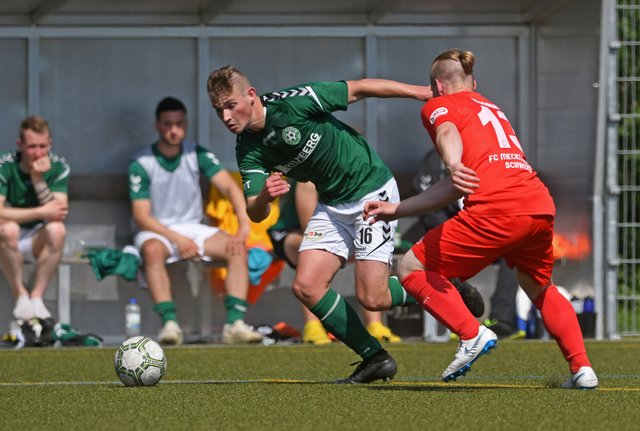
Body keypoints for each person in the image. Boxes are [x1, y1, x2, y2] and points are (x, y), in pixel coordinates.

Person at [363, 48, 598, 389]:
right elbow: (455, 186)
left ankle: (470, 334)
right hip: (538, 206)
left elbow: (447, 133)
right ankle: (582, 369)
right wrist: (397, 209)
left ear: (438, 87)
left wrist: (452, 162)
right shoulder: (491, 107)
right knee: (539, 287)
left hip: (497, 209)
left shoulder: (439, 105)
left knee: (411, 267)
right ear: (474, 83)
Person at [207, 66, 430, 383]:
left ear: (251, 95)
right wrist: (264, 197)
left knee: (373, 297)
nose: (226, 117)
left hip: (371, 189)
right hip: (333, 204)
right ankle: (375, 358)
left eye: (231, 105)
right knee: (306, 286)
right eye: (219, 110)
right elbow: (254, 211)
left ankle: (442, 287)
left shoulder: (294, 102)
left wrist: (420, 92)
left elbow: (359, 88)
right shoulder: (247, 148)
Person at [128, 96, 262, 346]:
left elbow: (230, 188)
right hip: (157, 230)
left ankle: (235, 324)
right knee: (152, 250)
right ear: (157, 125)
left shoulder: (196, 153)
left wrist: (244, 226)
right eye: (167, 124)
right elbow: (141, 217)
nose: (174, 130)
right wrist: (178, 240)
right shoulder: (142, 163)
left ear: (186, 124)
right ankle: (170, 325)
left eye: (179, 123)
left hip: (193, 227)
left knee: (237, 248)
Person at [268, 179, 401, 345]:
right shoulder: (308, 181)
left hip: (340, 233)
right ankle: (313, 325)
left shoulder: (362, 176)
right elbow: (311, 231)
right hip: (292, 233)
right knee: (313, 249)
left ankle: (374, 325)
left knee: (370, 248)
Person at [0, 116, 69, 322]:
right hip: (6, 237)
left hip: (36, 238)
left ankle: (37, 297)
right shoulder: (5, 164)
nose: (38, 153)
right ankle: (20, 295)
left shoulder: (58, 166)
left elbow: (58, 213)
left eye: (43, 146)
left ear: (50, 144)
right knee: (9, 229)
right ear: (20, 144)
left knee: (57, 230)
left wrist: (38, 180)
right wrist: (40, 212)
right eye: (31, 147)